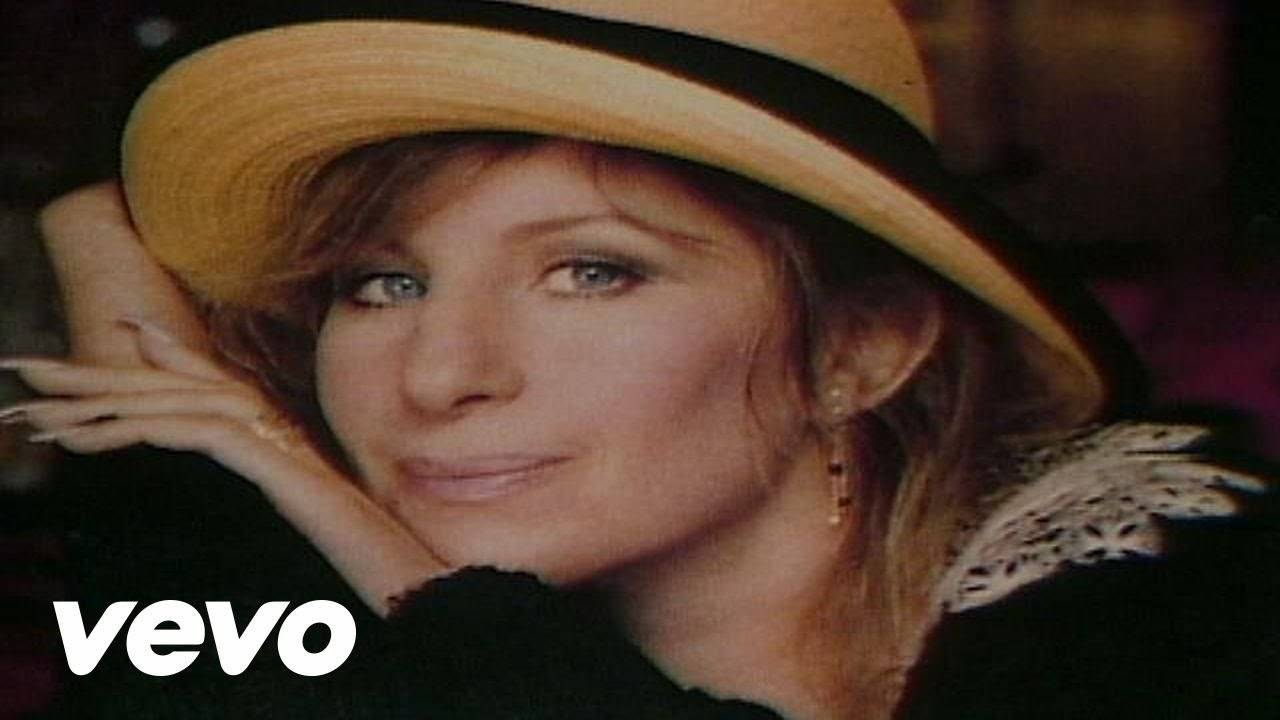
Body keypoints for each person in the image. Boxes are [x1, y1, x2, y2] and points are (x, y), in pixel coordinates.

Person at [3, 2, 1272, 718]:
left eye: (592, 272)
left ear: (858, 348)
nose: (439, 377)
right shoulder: (334, 629)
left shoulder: (1151, 599)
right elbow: (164, 650)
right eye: (381, 284)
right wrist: (100, 232)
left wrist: (345, 520)